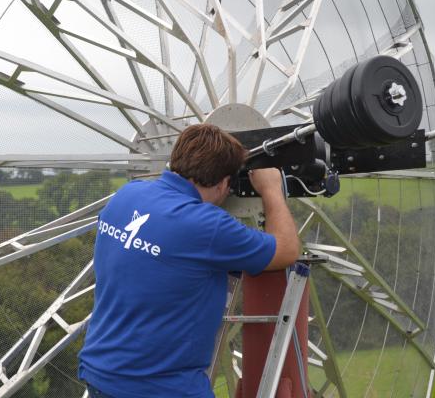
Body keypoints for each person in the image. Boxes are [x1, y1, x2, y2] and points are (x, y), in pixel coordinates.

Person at [78, 123, 301, 398]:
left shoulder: (126, 195)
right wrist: (271, 190)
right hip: (160, 388)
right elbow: (287, 250)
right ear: (223, 183)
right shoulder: (207, 226)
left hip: (100, 375)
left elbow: (165, 258)